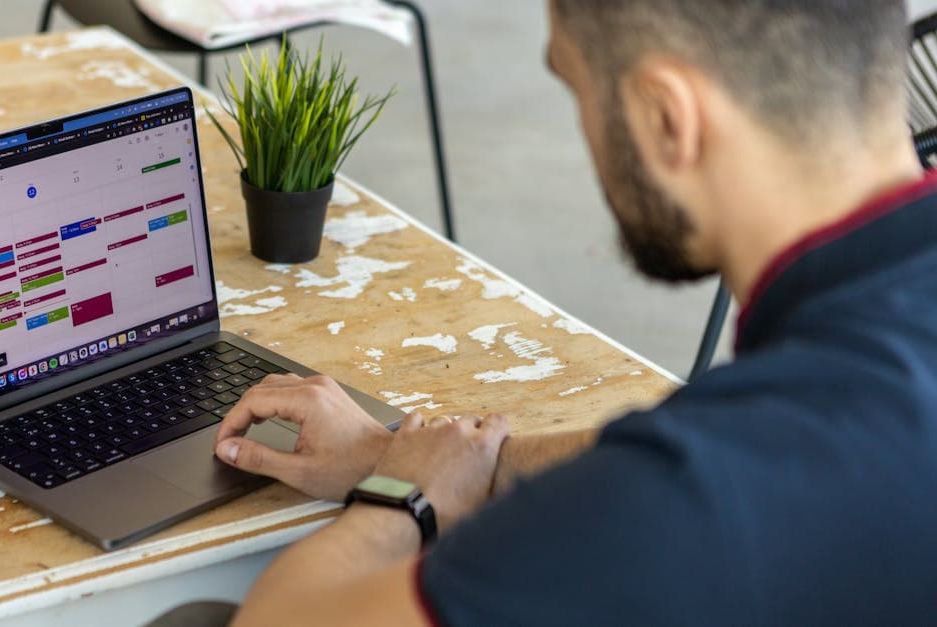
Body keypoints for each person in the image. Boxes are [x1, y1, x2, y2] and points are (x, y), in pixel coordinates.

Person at [196, 1, 937, 624]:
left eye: (576, 85)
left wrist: (399, 496)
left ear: (665, 117)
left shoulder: (692, 500)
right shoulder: (836, 384)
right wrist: (418, 458)